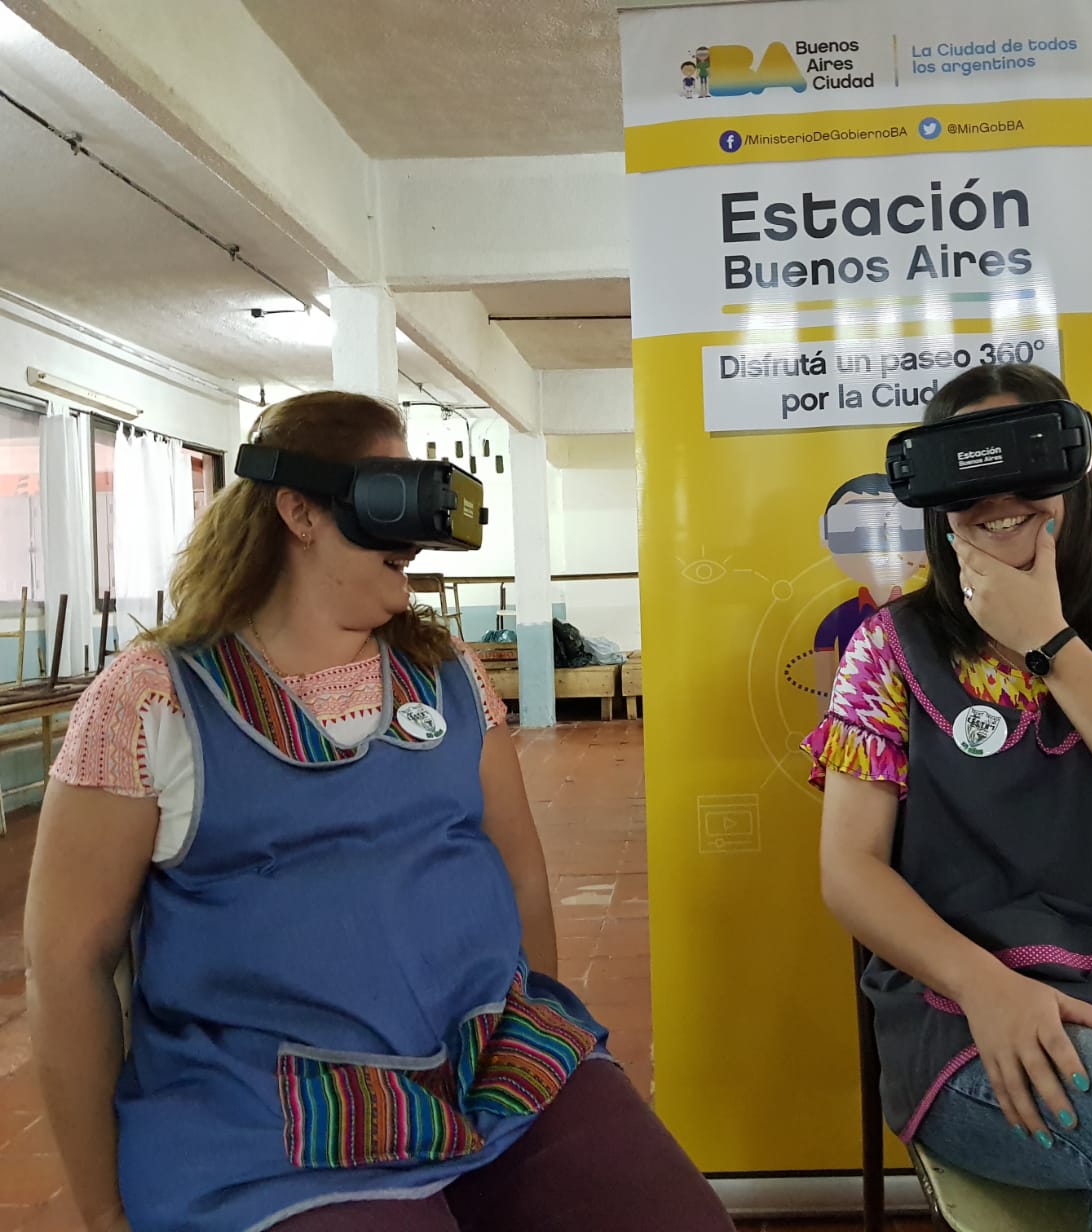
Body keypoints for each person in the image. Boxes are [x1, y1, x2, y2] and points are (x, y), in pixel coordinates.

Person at [25, 392, 733, 1232]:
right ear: (298, 510)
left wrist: (530, 1021)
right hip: (268, 1120)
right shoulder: (154, 700)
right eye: (388, 500)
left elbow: (520, 873)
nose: (416, 539)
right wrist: (104, 1212)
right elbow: (66, 962)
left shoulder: (449, 678)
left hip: (485, 1066)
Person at [806, 364, 1092, 1232]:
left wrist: (1049, 641)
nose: (998, 498)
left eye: (1028, 466)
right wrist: (984, 985)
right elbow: (848, 868)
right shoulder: (889, 650)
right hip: (968, 1020)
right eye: (968, 476)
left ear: (1078, 476)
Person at [807, 474, 927, 717]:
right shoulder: (836, 620)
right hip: (857, 726)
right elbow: (825, 693)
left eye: (905, 527)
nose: (878, 542)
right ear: (826, 534)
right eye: (853, 529)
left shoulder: (932, 617)